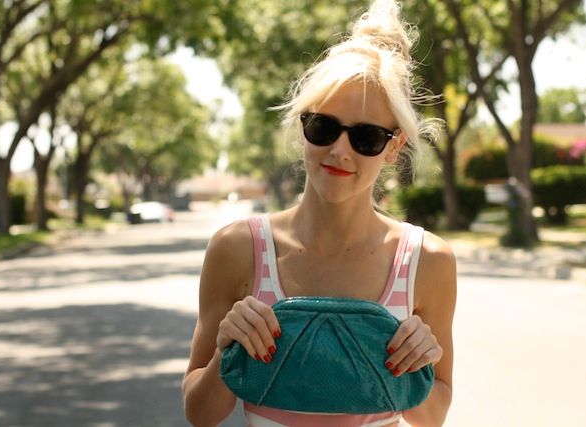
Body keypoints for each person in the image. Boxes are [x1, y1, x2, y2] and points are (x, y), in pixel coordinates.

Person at [182, 0, 456, 425]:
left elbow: (433, 416)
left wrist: (412, 368)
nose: (340, 150)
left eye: (366, 137)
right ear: (302, 128)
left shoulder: (427, 260)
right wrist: (227, 352)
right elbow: (200, 413)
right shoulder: (237, 249)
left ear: (394, 147)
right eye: (323, 127)